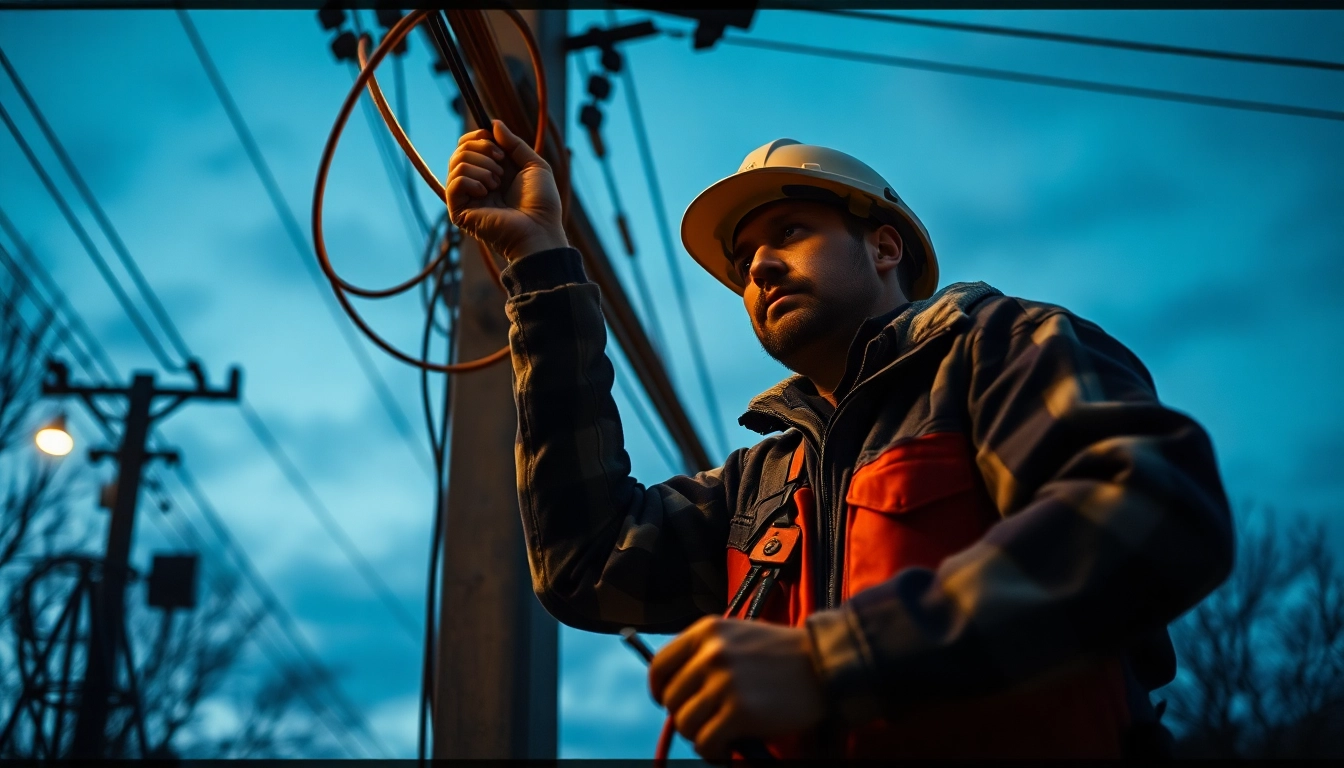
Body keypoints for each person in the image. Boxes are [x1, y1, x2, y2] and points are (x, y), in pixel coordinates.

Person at [446, 120, 1233, 760]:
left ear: (885, 246)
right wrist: (539, 262)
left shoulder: (997, 348)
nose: (760, 267)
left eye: (789, 231)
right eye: (744, 261)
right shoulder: (760, 485)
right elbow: (588, 564)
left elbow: (1152, 503)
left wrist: (837, 662)